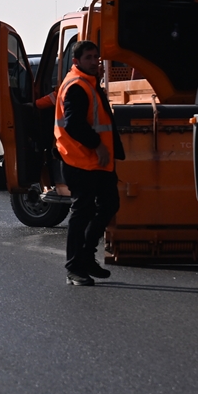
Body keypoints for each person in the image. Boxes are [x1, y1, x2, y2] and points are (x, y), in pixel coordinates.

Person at [55, 40, 124, 286]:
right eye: (89, 58)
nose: (95, 61)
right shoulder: (76, 86)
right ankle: (74, 267)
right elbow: (74, 124)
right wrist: (98, 145)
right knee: (82, 211)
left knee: (109, 204)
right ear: (77, 62)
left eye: (96, 56)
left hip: (96, 161)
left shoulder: (89, 82)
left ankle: (85, 257)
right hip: (80, 160)